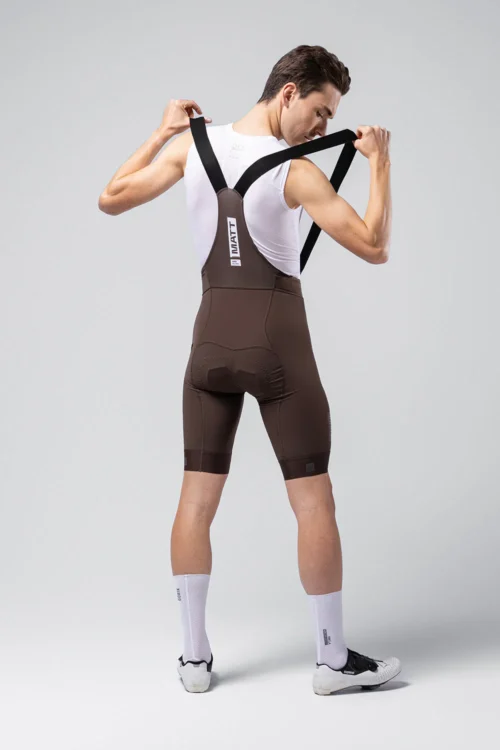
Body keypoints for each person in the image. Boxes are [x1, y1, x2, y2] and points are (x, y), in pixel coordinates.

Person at [98, 44, 400, 696]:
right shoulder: (297, 173)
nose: (322, 127)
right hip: (277, 349)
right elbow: (374, 245)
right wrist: (379, 164)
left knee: (195, 501)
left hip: (207, 346)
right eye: (320, 111)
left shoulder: (193, 147)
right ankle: (331, 661)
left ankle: (194, 660)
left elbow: (111, 197)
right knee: (313, 500)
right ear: (288, 92)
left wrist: (162, 132)